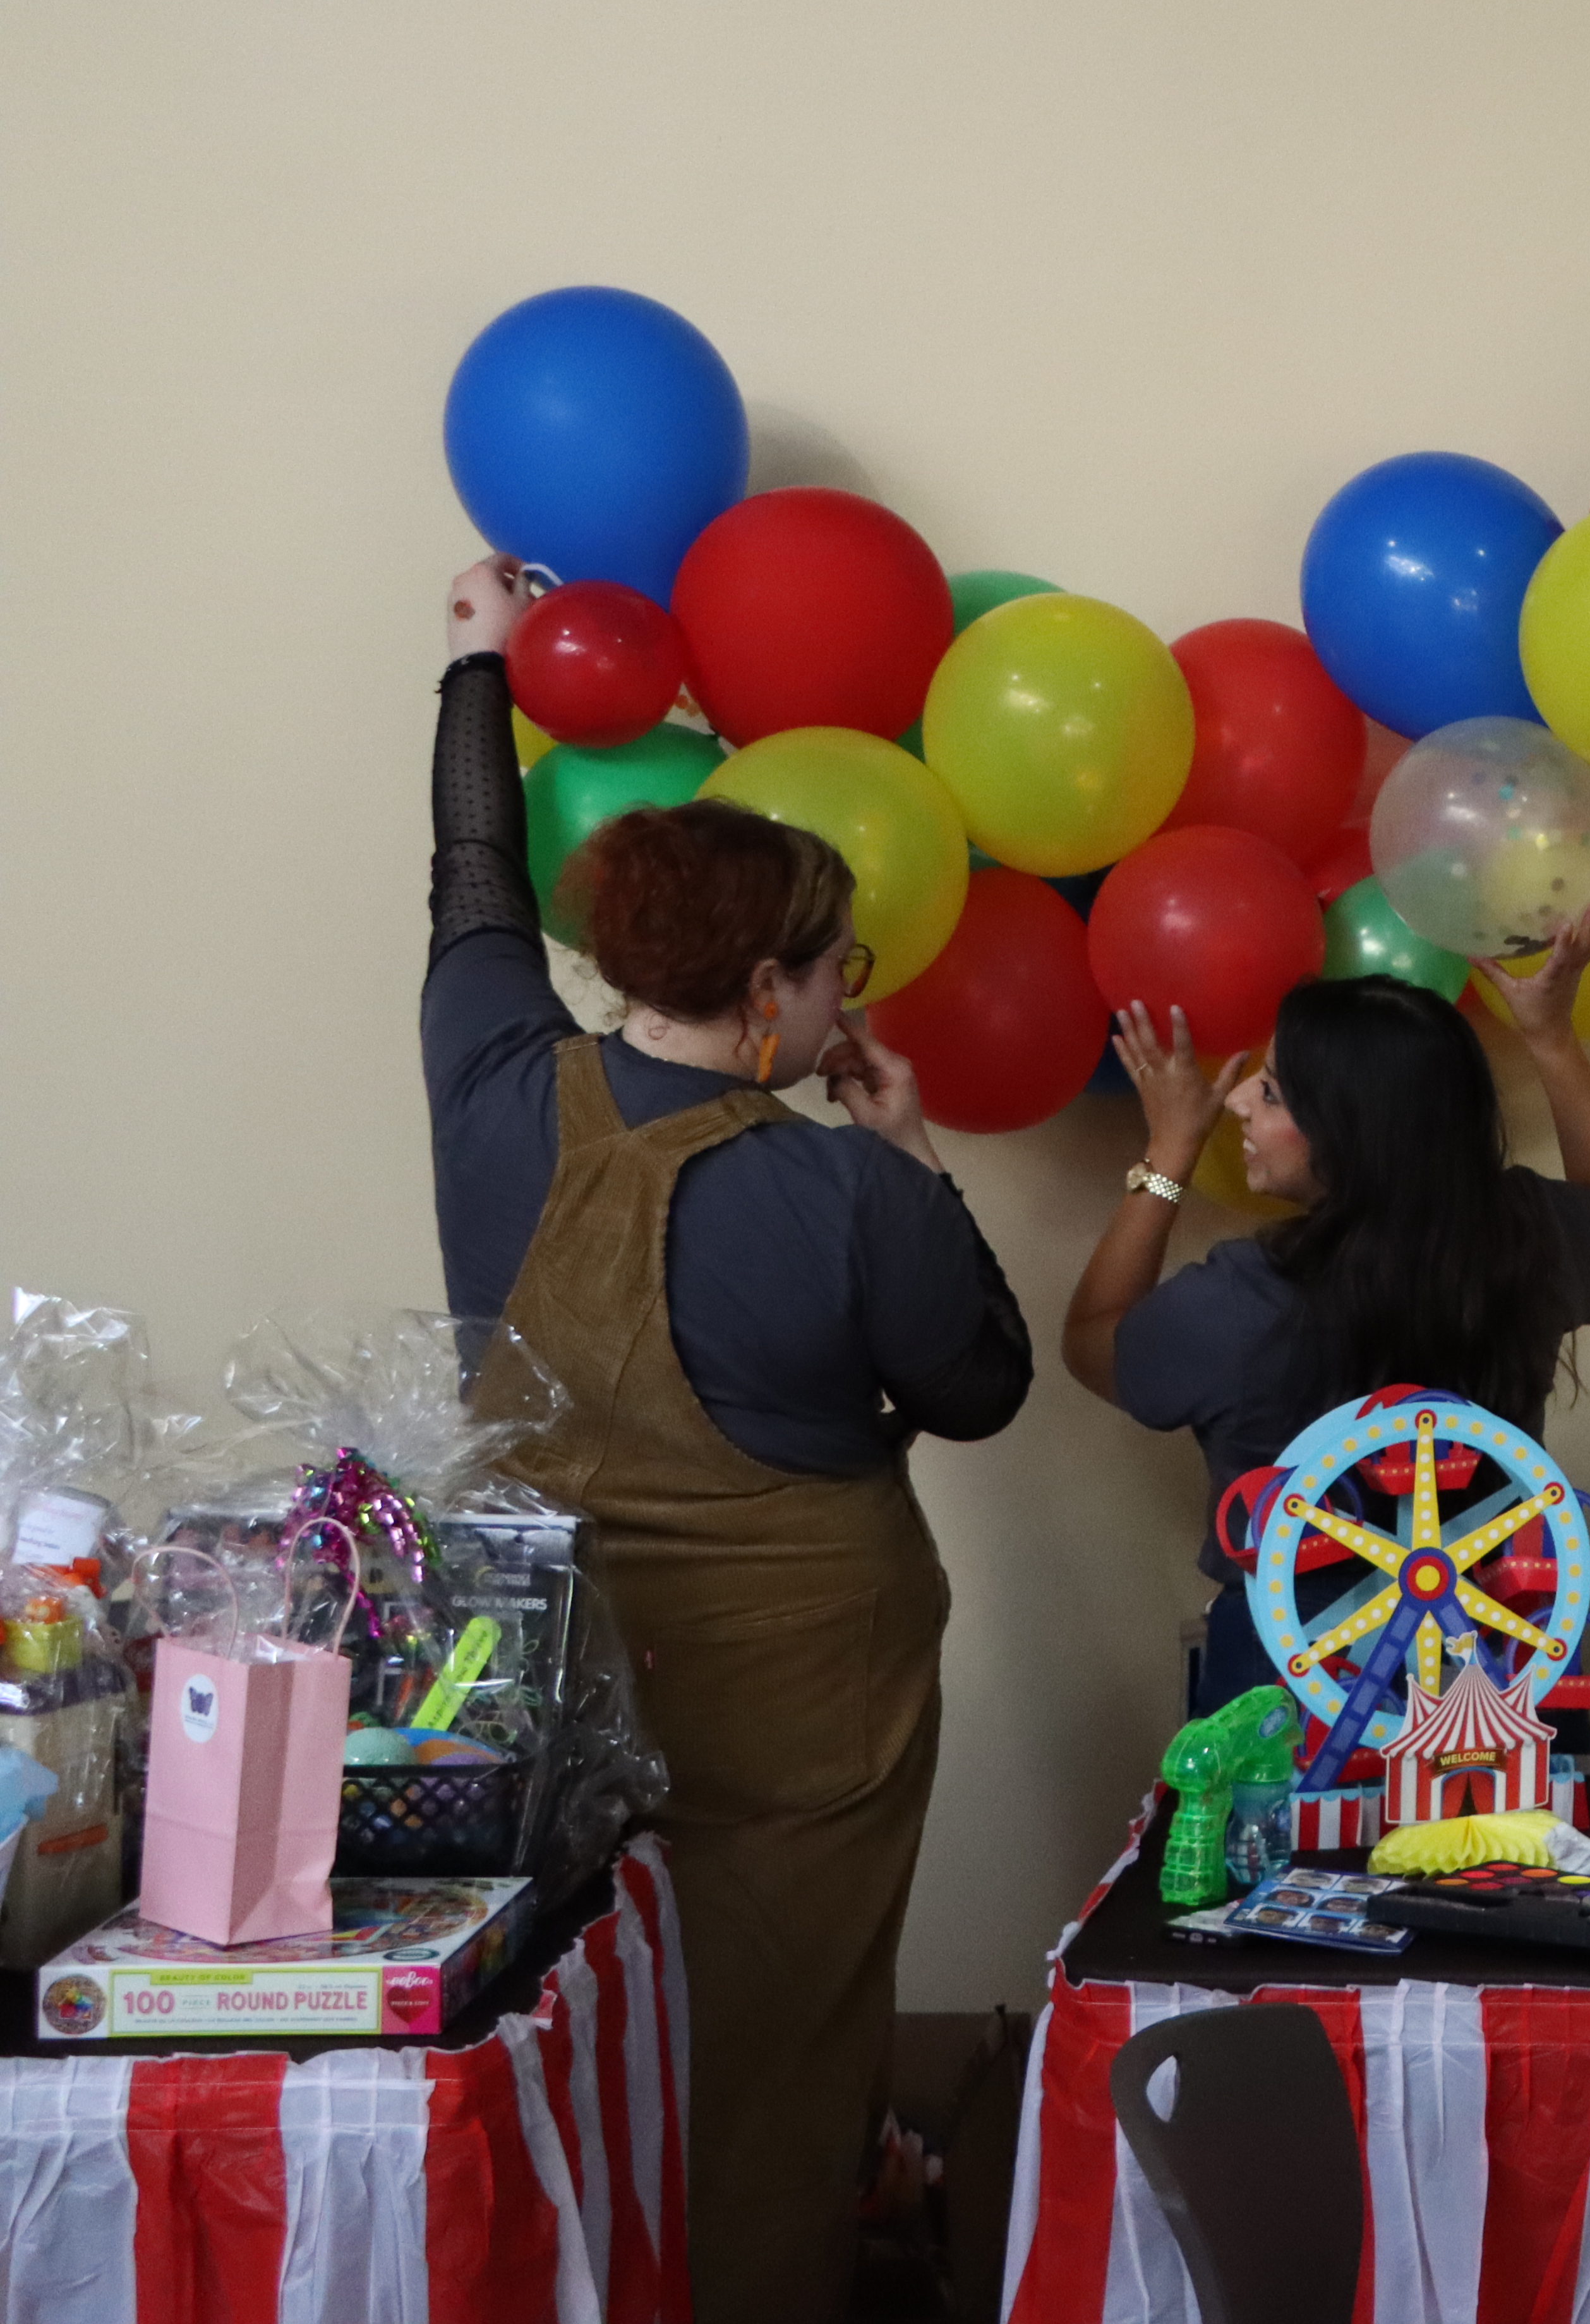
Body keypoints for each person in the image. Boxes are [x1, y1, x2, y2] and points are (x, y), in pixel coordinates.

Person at [426, 557, 1029, 2324]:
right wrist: (918, 1163)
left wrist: (478, 663)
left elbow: (471, 873)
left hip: (547, 1668)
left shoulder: (485, 1071)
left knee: (565, 2015)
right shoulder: (849, 1187)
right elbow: (982, 1392)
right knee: (777, 2039)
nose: (852, 996)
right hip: (810, 1687)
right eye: (841, 967)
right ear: (770, 987)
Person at [1063, 952, 1590, 1721]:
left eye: (1269, 1092)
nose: (1238, 1100)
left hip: (1296, 1694)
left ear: (1347, 1138)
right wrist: (1550, 1038)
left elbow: (1090, 1338)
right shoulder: (1528, 1240)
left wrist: (1169, 1150)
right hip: (1504, 1677)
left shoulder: (1245, 1297)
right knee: (1507, 1847)